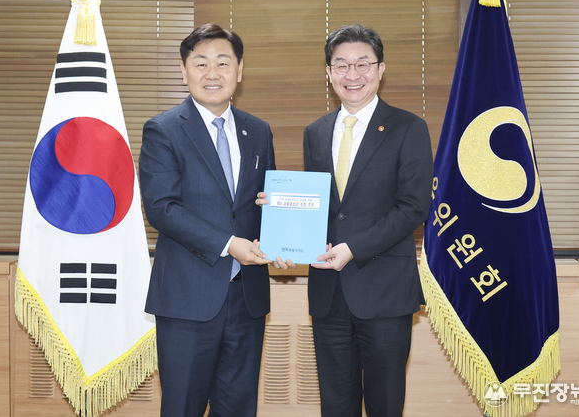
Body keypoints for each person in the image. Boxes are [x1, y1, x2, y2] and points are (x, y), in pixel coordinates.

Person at [139, 23, 279, 417]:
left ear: (240, 70)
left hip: (247, 298)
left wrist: (281, 234)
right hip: (188, 299)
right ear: (184, 71)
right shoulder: (164, 130)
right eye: (201, 64)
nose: (212, 73)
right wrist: (229, 244)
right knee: (182, 407)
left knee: (238, 409)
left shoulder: (258, 131)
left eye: (223, 63)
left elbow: (263, 203)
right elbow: (162, 208)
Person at [304, 23, 434, 416]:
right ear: (329, 72)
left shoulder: (408, 128)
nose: (352, 74)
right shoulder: (315, 132)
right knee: (335, 405)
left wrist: (353, 248)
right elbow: (320, 205)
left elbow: (413, 207)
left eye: (363, 64)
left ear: (380, 69)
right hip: (328, 294)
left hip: (384, 293)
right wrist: (279, 209)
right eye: (341, 65)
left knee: (385, 404)